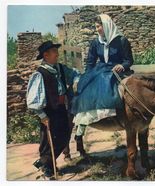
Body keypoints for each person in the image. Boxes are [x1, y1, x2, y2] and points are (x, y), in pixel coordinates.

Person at [71, 14, 134, 155]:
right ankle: (83, 125)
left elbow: (129, 60)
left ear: (106, 26)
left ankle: (117, 116)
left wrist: (122, 66)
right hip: (100, 70)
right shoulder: (95, 43)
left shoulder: (122, 41)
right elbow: (90, 62)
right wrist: (87, 76)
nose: (97, 29)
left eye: (99, 26)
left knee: (115, 87)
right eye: (96, 27)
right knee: (87, 89)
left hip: (117, 71)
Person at [26, 40, 80, 179]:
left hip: (61, 108)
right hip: (48, 112)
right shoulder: (40, 74)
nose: (57, 54)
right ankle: (47, 169)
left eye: (57, 51)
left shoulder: (60, 68)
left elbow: (75, 73)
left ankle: (43, 162)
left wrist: (75, 82)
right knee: (47, 141)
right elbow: (33, 100)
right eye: (54, 52)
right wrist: (42, 115)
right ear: (46, 55)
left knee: (64, 137)